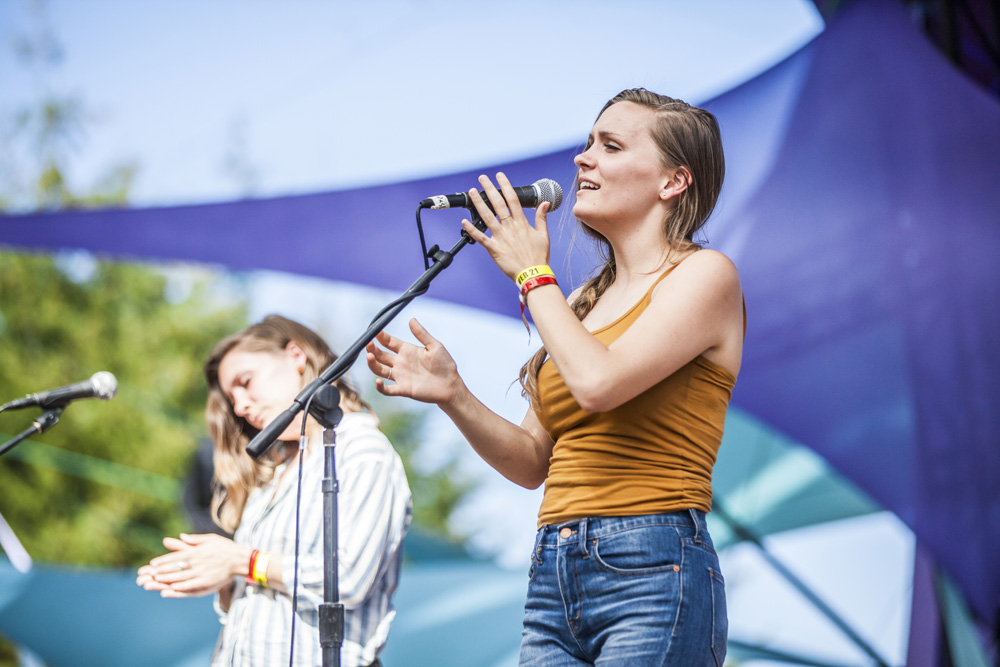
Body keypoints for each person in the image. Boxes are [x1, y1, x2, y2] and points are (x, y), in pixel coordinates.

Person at [365, 88, 742, 666]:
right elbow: (531, 461)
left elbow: (599, 383)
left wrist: (533, 275)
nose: (582, 159)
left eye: (610, 146)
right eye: (588, 142)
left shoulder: (705, 276)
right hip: (554, 569)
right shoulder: (584, 306)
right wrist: (453, 394)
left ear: (673, 182)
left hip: (652, 562)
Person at [138, 315, 412, 667]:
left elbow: (347, 580)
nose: (239, 406)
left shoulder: (364, 450)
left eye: (245, 382)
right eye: (231, 397)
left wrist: (243, 561)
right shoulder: (275, 471)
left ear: (295, 356)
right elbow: (262, 601)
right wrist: (223, 577)